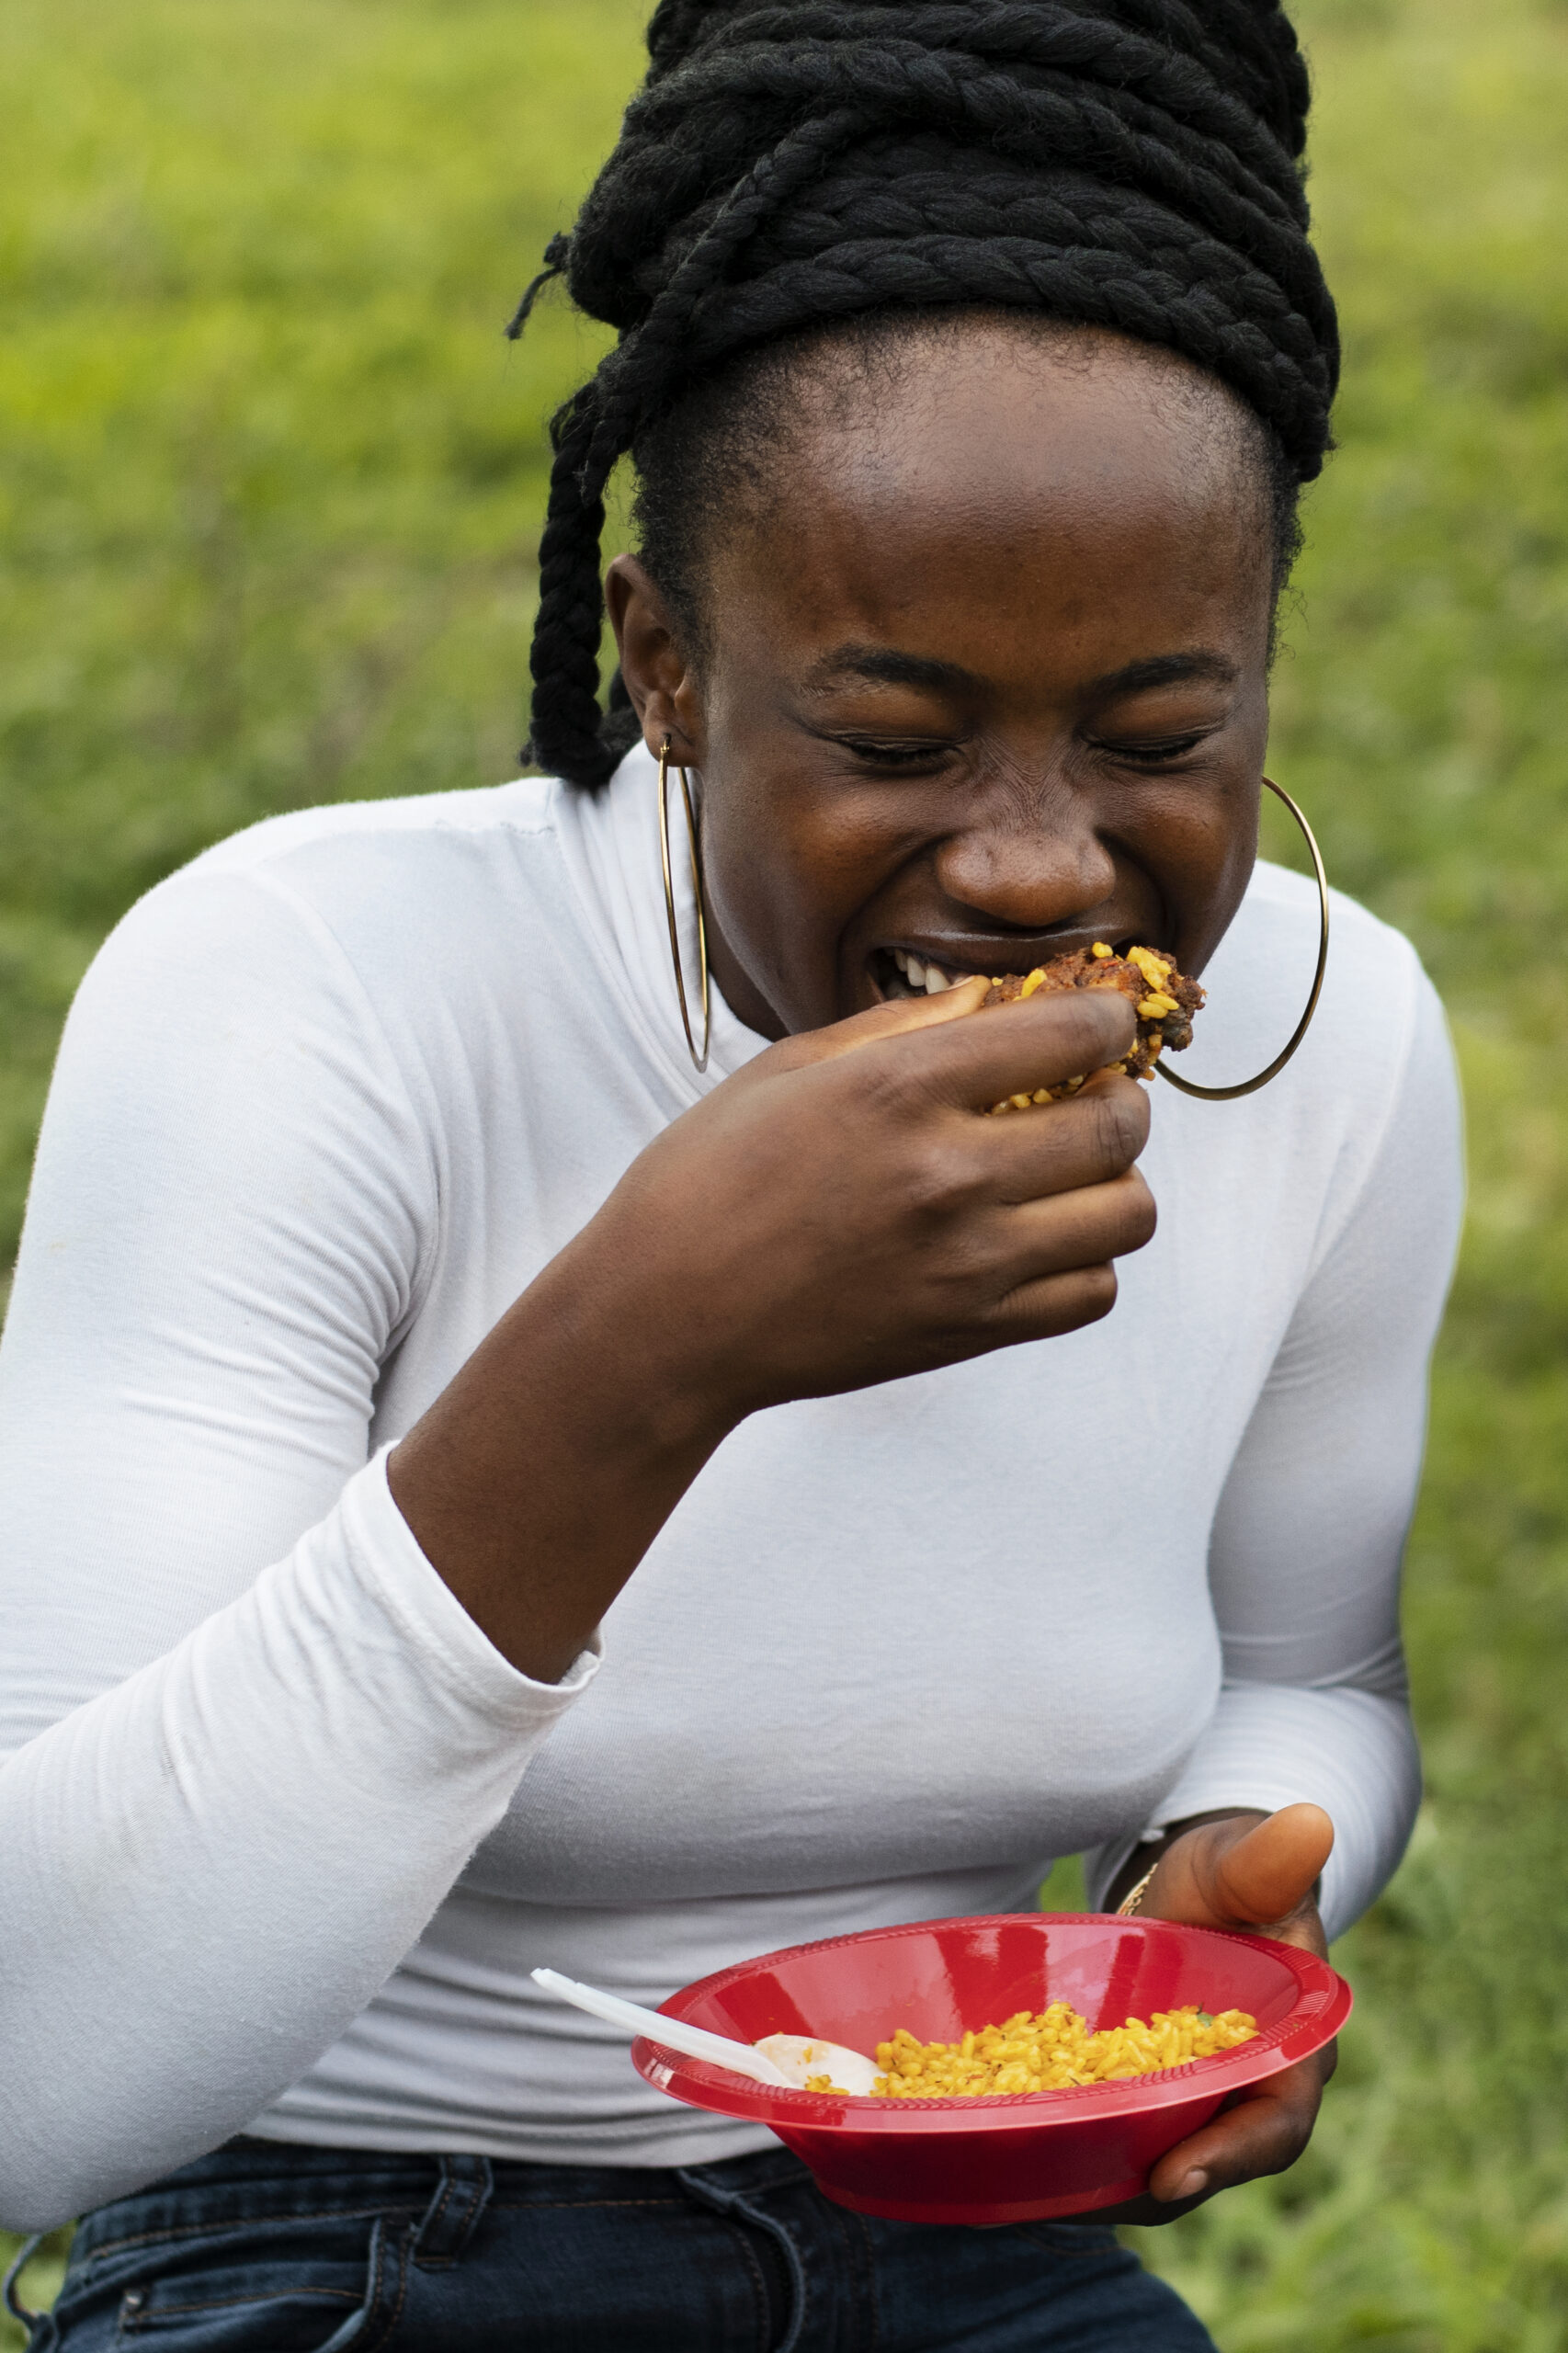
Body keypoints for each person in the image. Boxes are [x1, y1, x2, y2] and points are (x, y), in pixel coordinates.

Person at [0, 2, 1462, 2347]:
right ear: (662, 659)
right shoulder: (307, 989)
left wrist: (1225, 1873)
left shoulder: (1341, 1038)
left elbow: (1309, 1678)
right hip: (349, 2228)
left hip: (980, 2247)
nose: (1034, 861)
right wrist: (648, 1345)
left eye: (1160, 733)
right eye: (890, 735)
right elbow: (30, 2062)